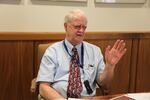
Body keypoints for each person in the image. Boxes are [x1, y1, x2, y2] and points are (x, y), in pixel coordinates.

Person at [36, 9, 127, 100]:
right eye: (77, 27)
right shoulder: (52, 51)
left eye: (84, 27)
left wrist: (110, 66)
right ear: (66, 26)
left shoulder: (95, 51)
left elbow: (104, 83)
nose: (81, 30)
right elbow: (43, 87)